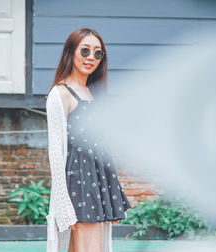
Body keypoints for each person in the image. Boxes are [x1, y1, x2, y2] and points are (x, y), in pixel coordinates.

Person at [46, 28, 132, 252]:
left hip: (97, 181)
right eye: (85, 51)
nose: (91, 58)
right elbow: (56, 152)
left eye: (98, 54)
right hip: (79, 184)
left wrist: (111, 194)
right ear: (71, 52)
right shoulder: (60, 93)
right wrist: (64, 205)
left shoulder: (94, 93)